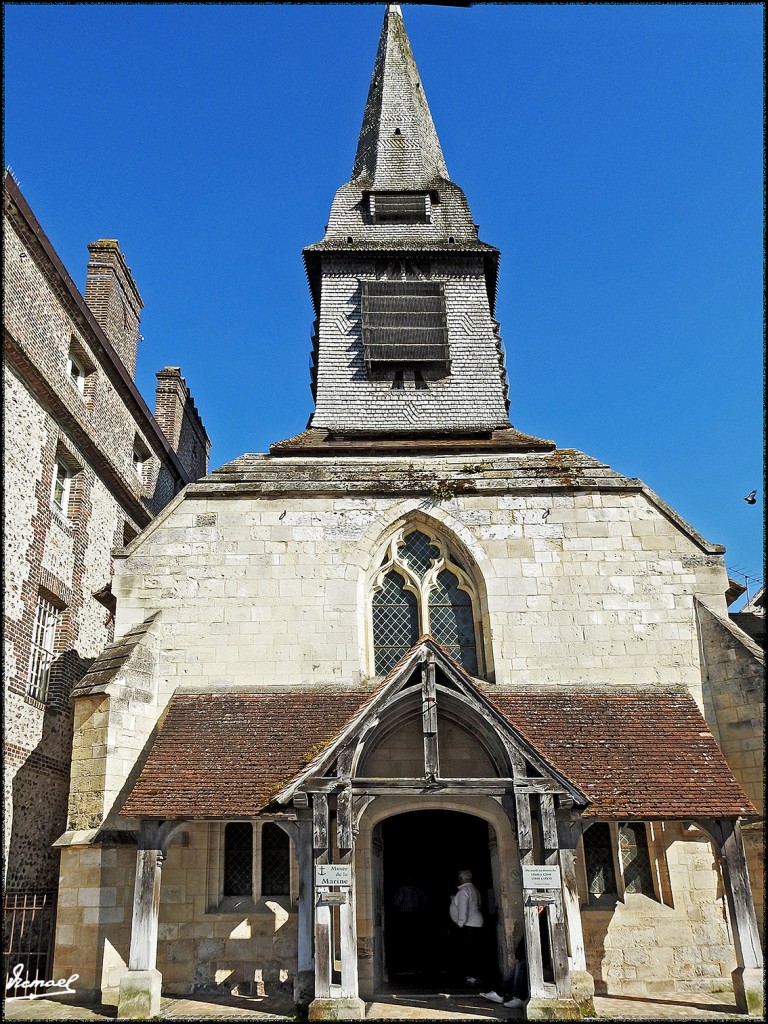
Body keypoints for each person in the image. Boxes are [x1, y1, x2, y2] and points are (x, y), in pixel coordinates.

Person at [449, 869, 484, 985]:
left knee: (470, 951)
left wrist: (460, 924)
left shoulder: (464, 891)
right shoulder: (473, 889)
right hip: (476, 923)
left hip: (469, 925)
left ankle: (472, 975)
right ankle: (475, 974)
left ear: (460, 879)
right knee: (474, 950)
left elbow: (463, 909)